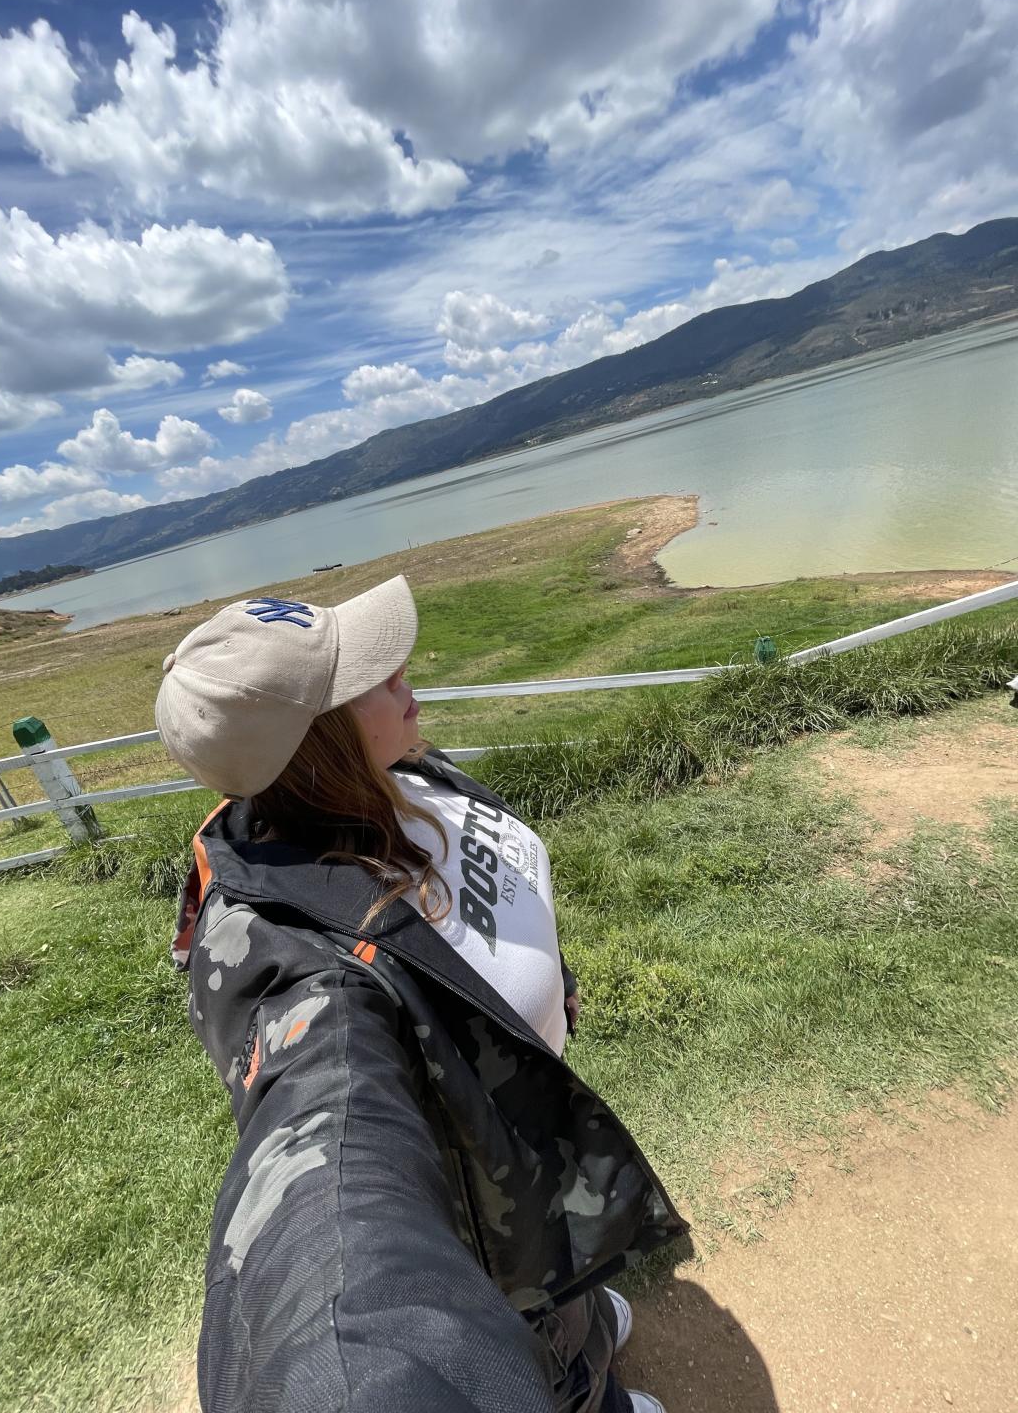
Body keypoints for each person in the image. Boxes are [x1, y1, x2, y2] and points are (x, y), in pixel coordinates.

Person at [155, 574, 687, 1413]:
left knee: (568, 1298)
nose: (404, 676)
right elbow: (327, 1163)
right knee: (549, 1359)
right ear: (315, 745)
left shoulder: (399, 772)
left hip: (522, 1151)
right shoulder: (300, 963)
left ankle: (586, 1330)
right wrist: (350, 1368)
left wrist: (553, 987)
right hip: (479, 1225)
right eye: (370, 679)